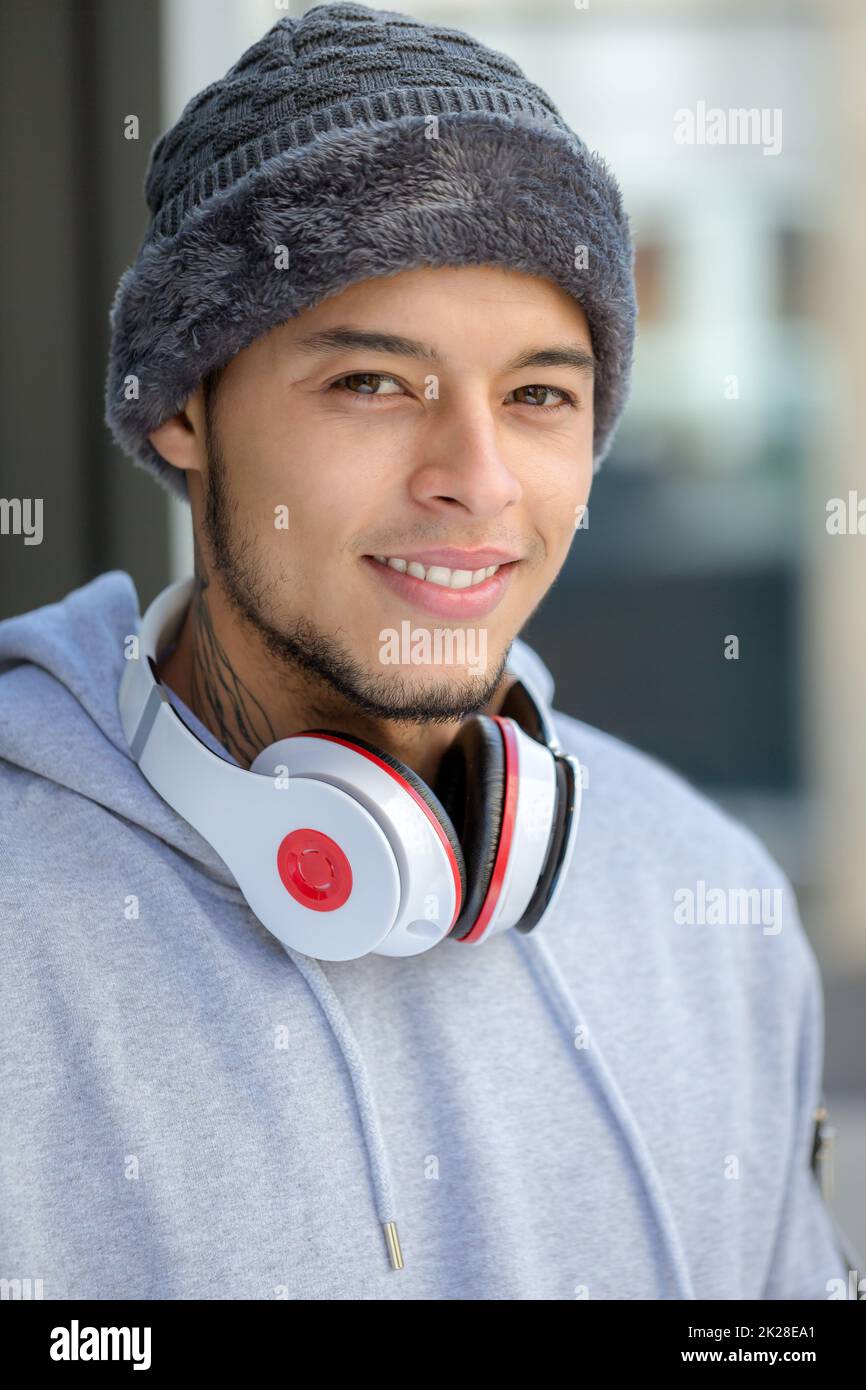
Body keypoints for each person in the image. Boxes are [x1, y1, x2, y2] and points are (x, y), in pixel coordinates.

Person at [0, 2, 857, 1301]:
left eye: (538, 397)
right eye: (372, 383)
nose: (476, 479)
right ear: (183, 407)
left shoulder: (708, 907)